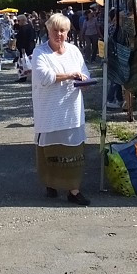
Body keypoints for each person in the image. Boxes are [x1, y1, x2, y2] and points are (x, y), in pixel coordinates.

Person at [31, 13, 91, 206]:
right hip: (49, 111)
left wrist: (84, 81)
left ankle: (74, 190)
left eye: (62, 30)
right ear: (48, 31)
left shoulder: (74, 51)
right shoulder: (40, 53)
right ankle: (51, 183)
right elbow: (43, 77)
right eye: (55, 30)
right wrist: (69, 76)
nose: (59, 34)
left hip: (71, 111)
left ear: (68, 32)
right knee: (50, 149)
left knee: (73, 149)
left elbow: (85, 74)